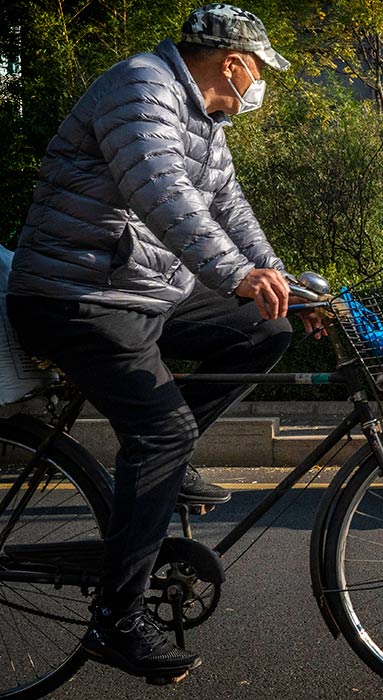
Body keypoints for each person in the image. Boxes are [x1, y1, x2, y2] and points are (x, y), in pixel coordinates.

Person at [5, 4, 314, 682]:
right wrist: (235, 273)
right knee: (164, 431)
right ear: (233, 62)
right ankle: (117, 620)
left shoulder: (207, 120)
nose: (262, 81)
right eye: (260, 69)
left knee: (268, 329)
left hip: (138, 293)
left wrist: (282, 283)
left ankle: (165, 462)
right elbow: (163, 193)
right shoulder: (140, 87)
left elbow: (229, 207)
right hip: (74, 295)